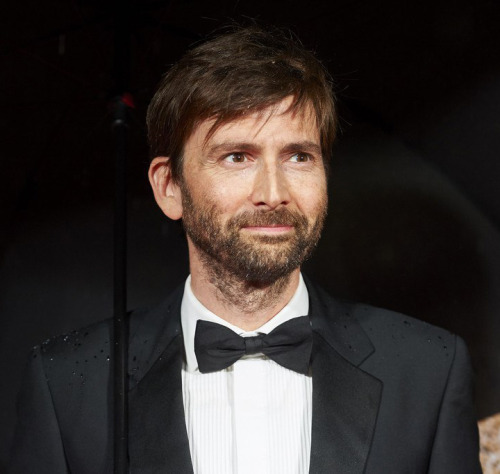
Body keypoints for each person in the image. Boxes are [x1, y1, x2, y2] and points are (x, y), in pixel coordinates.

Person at [10, 26, 482, 474]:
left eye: (299, 156)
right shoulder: (68, 385)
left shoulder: (427, 371)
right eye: (237, 157)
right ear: (169, 186)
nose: (273, 192)